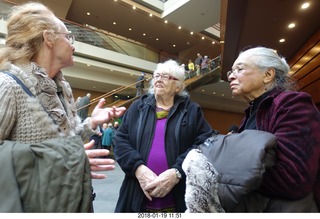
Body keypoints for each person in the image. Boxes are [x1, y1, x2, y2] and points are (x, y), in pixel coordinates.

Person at [0, 2, 126, 212]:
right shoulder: (7, 86)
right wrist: (69, 161)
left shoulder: (60, 89)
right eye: (68, 37)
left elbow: (64, 141)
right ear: (48, 38)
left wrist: (91, 123)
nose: (73, 45)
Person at [226, 46, 320, 212]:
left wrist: (227, 170)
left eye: (239, 69)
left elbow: (293, 179)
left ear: (268, 75)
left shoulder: (293, 104)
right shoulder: (250, 114)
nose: (231, 76)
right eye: (230, 72)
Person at [114, 59, 213, 212]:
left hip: (178, 195)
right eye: (157, 75)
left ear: (178, 86)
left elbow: (204, 143)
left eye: (166, 76)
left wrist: (177, 172)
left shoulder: (192, 110)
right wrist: (138, 168)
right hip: (136, 193)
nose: (159, 79)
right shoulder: (138, 107)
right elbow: (121, 140)